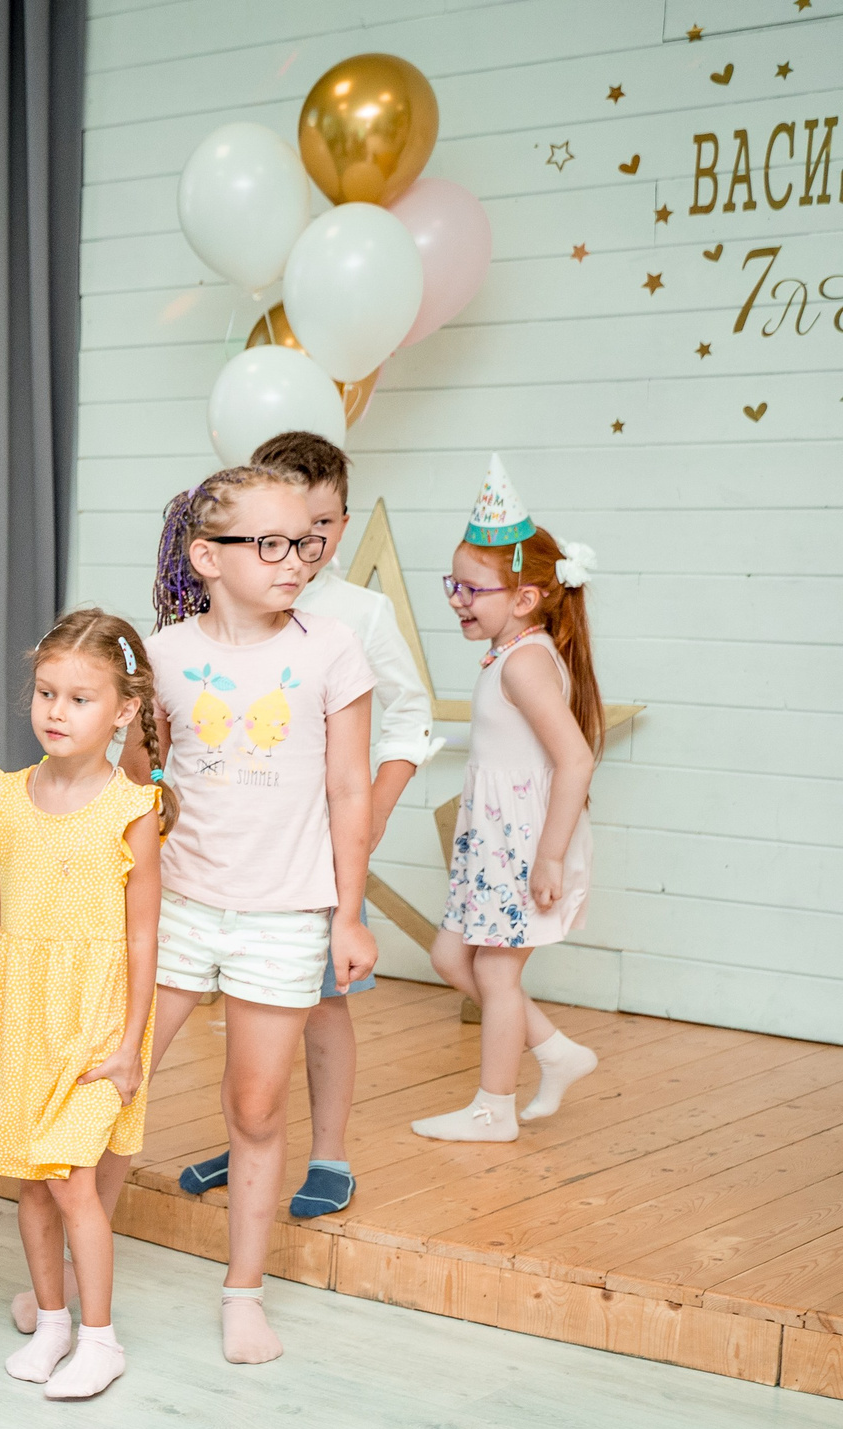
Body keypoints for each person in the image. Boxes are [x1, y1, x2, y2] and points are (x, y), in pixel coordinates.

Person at [105, 464, 377, 1366]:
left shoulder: (332, 647)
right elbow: (138, 782)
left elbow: (349, 787)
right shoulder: (163, 654)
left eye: (305, 541)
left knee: (256, 1108)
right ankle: (74, 1278)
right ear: (208, 557)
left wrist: (347, 914)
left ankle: (244, 1291)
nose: (295, 559)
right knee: (114, 1088)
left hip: (285, 914)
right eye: (270, 544)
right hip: (177, 908)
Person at [175, 432, 441, 1219]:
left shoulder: (358, 615)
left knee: (322, 1000)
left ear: (342, 524)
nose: (303, 547)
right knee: (247, 1007)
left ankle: (328, 1151)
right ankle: (251, 1138)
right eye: (285, 531)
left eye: (320, 527)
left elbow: (412, 718)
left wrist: (373, 810)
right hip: (231, 852)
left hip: (315, 853)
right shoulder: (219, 600)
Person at [0, 611, 165, 1401]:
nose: (56, 711)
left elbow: (143, 935)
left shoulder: (132, 808)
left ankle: (100, 1338)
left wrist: (130, 1043)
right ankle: (52, 1321)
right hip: (23, 1015)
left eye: (80, 698)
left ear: (122, 709)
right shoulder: (5, 799)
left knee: (74, 1178)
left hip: (94, 1020)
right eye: (47, 692)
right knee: (31, 1181)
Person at [412, 457, 603, 1140]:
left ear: (524, 598)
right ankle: (554, 1049)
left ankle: (494, 1108)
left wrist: (549, 857)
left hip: (522, 846)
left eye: (472, 589)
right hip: (492, 843)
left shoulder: (524, 662)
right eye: (453, 585)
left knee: (495, 974)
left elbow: (575, 759)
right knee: (450, 957)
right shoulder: (510, 653)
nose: (457, 599)